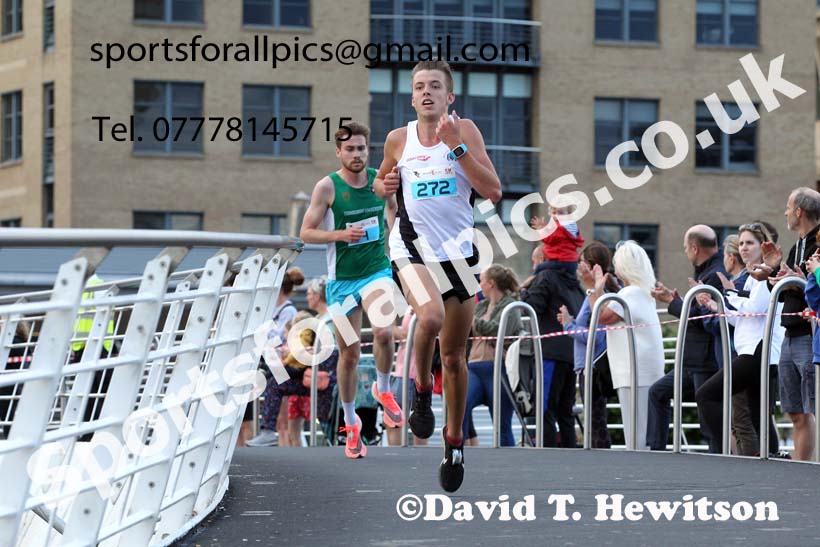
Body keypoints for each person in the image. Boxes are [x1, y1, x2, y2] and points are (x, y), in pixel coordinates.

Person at [374, 60, 502, 492]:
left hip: (459, 256)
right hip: (411, 248)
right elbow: (379, 183)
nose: (426, 92)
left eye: (434, 86)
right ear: (412, 98)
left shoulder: (465, 132)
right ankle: (422, 388)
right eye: (419, 87)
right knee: (429, 317)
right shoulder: (398, 139)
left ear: (450, 97)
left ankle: (454, 442)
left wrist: (456, 147)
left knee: (453, 357)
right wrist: (384, 187)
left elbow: (493, 191)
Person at [300, 122, 402, 459]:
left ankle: (383, 390)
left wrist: (397, 237)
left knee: (384, 331)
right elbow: (306, 232)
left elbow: (392, 209)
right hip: (341, 281)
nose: (357, 155)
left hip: (376, 271)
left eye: (361, 148)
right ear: (338, 152)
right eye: (350, 149)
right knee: (350, 354)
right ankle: (350, 421)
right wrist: (340, 235)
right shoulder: (327, 187)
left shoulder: (378, 180)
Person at [695, 223, 784, 456]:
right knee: (758, 415)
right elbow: (741, 319)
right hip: (750, 350)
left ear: (762, 246)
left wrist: (731, 294)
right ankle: (772, 458)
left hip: (758, 352)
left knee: (706, 395)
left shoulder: (765, 273)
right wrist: (715, 305)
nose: (743, 247)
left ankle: (727, 451)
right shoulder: (754, 276)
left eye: (749, 243)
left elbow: (755, 308)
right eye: (741, 243)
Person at [756, 188, 820, 461]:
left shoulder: (818, 243)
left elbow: (813, 286)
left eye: (788, 207)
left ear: (799, 211)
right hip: (790, 333)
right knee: (795, 410)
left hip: (809, 334)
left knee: (813, 405)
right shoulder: (797, 247)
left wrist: (796, 280)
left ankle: (810, 467)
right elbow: (788, 292)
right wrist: (774, 273)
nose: (785, 213)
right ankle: (801, 466)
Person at [649, 225, 725, 451]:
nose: (685, 252)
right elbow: (698, 311)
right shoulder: (707, 271)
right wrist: (676, 300)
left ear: (694, 248)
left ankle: (719, 461)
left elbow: (702, 318)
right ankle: (657, 451)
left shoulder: (714, 275)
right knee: (658, 393)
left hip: (705, 360)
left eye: (685, 248)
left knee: (709, 421)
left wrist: (672, 303)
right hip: (694, 359)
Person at [587, 241, 664, 450]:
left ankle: (638, 460)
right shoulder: (643, 293)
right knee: (644, 426)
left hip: (633, 370)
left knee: (636, 429)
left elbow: (601, 316)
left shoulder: (629, 294)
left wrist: (594, 289)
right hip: (644, 367)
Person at [521, 242, 585, 448]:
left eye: (534, 261)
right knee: (566, 410)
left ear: (543, 259)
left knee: (545, 407)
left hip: (550, 351)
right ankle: (569, 453)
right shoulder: (574, 282)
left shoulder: (545, 276)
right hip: (572, 352)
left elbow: (532, 306)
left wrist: (523, 290)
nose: (533, 266)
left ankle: (547, 454)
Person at [557, 242, 617, 449]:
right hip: (587, 366)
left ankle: (601, 459)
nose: (578, 266)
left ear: (593, 266)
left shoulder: (599, 294)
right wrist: (572, 321)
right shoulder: (592, 293)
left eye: (581, 262)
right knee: (594, 420)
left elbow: (595, 337)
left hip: (593, 366)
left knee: (596, 421)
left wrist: (568, 325)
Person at [244, 267, 305, 447]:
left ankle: (284, 447)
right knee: (277, 411)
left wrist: (263, 331)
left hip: (283, 361)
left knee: (283, 416)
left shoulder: (288, 311)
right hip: (272, 361)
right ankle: (276, 442)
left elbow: (281, 337)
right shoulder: (272, 310)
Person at [463, 265, 522, 447]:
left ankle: (507, 459)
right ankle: (456, 451)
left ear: (491, 283)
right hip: (474, 367)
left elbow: (498, 330)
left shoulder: (511, 307)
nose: (479, 285)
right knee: (460, 407)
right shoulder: (481, 306)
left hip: (499, 369)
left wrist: (471, 320)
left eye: (481, 281)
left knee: (502, 425)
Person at [387, 308, 428, 446]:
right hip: (404, 370)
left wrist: (392, 327)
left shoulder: (424, 306)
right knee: (414, 419)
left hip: (410, 372)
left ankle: (396, 453)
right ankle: (412, 453)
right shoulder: (410, 307)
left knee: (394, 418)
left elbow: (411, 335)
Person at [530, 204, 585, 274]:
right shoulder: (571, 227)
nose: (557, 215)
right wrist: (545, 229)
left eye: (561, 213)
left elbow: (548, 239)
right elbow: (557, 237)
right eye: (554, 213)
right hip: (572, 262)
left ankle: (532, 280)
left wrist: (540, 229)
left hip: (561, 261)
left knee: (539, 268)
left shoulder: (560, 227)